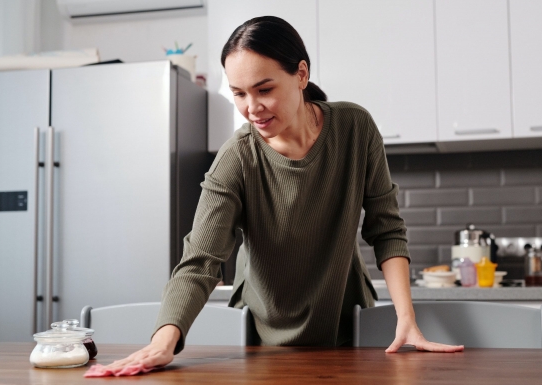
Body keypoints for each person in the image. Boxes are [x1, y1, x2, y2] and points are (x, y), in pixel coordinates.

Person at [102, 15, 464, 374]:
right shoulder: (238, 156)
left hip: (346, 326)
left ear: (301, 75)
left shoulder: (355, 128)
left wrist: (406, 318)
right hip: (263, 341)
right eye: (239, 94)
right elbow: (201, 260)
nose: (252, 108)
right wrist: (163, 342)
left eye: (264, 89)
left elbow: (386, 230)